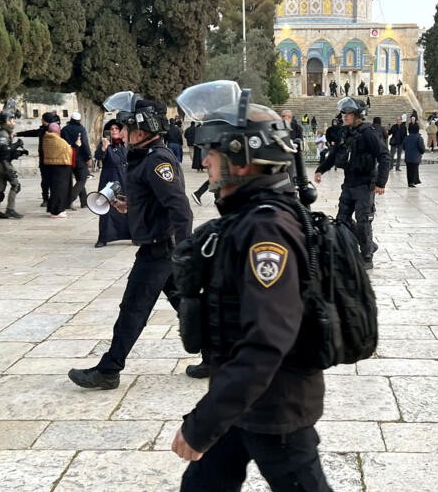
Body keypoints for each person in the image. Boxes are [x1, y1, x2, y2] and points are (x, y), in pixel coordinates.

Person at [170, 80, 329, 491]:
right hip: (242, 401)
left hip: (274, 410)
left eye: (213, 150)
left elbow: (267, 340)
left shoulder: (265, 229)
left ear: (240, 160)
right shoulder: (247, 217)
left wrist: (202, 424)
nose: (205, 160)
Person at [68, 94, 192, 389]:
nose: (122, 133)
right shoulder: (145, 157)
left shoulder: (157, 160)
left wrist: (185, 251)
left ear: (144, 129)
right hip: (160, 246)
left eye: (127, 127)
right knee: (185, 303)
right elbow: (154, 202)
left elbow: (180, 209)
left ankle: (109, 369)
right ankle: (217, 354)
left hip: (160, 249)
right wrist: (129, 206)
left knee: (133, 308)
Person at [314, 97, 390, 269]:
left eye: (348, 113)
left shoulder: (368, 133)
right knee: (342, 221)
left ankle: (367, 257)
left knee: (363, 221)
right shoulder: (344, 132)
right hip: (349, 183)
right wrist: (321, 170)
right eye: (343, 113)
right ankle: (368, 244)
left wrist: (381, 182)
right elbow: (334, 154)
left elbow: (384, 156)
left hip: (365, 184)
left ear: (357, 115)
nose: (344, 116)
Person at [93, 120, 131, 246]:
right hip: (110, 179)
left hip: (124, 178)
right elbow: (98, 156)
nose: (114, 130)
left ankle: (132, 234)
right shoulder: (105, 144)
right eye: (111, 129)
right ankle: (103, 238)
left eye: (116, 128)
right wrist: (104, 148)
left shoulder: (123, 145)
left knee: (126, 206)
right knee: (107, 208)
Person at [0, 112, 24, 219]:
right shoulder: (3, 134)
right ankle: (10, 209)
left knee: (0, 187)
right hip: (4, 164)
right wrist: (16, 145)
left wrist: (18, 152)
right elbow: (4, 149)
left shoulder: (5, 133)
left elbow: (6, 150)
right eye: (11, 120)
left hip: (1, 162)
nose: (13, 122)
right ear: (6, 121)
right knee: (16, 185)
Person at [41, 121, 73, 218]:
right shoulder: (58, 140)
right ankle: (57, 211)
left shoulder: (46, 138)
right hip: (61, 167)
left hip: (51, 166)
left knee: (54, 189)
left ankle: (54, 209)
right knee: (60, 190)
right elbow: (67, 150)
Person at [62, 112, 92, 209]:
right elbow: (85, 144)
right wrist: (88, 157)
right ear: (79, 120)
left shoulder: (64, 129)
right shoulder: (81, 129)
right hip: (79, 158)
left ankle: (84, 202)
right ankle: (69, 200)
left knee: (80, 179)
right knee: (82, 179)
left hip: (68, 157)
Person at [404, 121, 425, 187]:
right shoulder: (419, 138)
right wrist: (421, 152)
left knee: (409, 170)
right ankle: (413, 182)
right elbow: (421, 148)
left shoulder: (406, 138)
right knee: (415, 169)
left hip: (408, 156)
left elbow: (404, 146)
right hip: (416, 156)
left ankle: (409, 182)